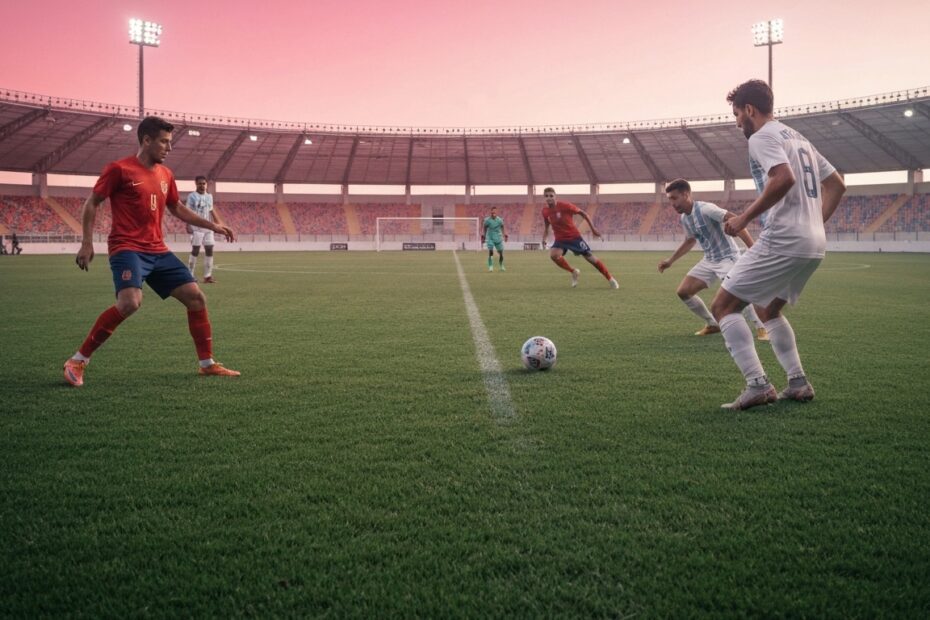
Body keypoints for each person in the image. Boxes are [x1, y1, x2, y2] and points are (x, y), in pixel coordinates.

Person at [62, 116, 241, 387]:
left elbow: (177, 208)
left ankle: (207, 364)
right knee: (130, 303)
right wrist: (87, 242)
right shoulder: (119, 169)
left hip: (158, 250)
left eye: (170, 142)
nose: (169, 148)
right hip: (127, 248)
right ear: (147, 140)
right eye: (164, 142)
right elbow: (92, 202)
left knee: (196, 299)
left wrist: (212, 225)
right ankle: (78, 360)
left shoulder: (166, 175)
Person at [711, 80, 846, 410]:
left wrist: (743, 219)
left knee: (723, 307)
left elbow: (784, 178)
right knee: (766, 309)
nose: (737, 121)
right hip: (813, 243)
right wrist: (813, 223)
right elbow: (838, 185)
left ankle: (758, 385)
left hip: (784, 238)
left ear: (750, 110)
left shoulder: (762, 136)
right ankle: (798, 382)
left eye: (737, 114)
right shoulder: (798, 138)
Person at [658, 179, 768, 340]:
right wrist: (670, 261)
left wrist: (753, 249)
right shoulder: (685, 218)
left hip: (728, 258)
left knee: (736, 292)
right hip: (709, 260)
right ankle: (712, 324)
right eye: (670, 200)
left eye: (674, 198)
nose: (672, 204)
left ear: (685, 194)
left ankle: (761, 328)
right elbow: (690, 240)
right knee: (684, 292)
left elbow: (735, 220)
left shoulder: (706, 209)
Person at [541, 187, 618, 289]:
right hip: (560, 239)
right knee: (554, 255)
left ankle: (611, 279)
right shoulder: (545, 211)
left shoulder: (565, 206)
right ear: (544, 198)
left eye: (551, 195)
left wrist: (593, 229)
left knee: (590, 258)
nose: (549, 198)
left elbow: (583, 214)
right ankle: (573, 271)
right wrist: (544, 238)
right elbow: (547, 227)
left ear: (555, 196)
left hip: (574, 237)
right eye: (546, 196)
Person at [185, 175, 225, 283]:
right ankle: (190, 275)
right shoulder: (192, 196)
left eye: (203, 183)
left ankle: (207, 276)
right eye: (200, 183)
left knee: (209, 249)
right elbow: (187, 212)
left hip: (208, 227)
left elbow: (211, 210)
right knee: (196, 250)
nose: (202, 185)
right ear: (196, 184)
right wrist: (188, 225)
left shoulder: (209, 197)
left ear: (206, 184)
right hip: (196, 227)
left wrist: (218, 224)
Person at [482, 206, 508, 271]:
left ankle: (501, 265)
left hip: (498, 238)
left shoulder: (499, 220)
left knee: (501, 253)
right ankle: (490, 266)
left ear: (496, 212)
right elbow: (485, 227)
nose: (494, 213)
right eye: (492, 212)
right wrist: (484, 235)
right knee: (491, 251)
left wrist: (504, 234)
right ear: (491, 212)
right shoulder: (487, 220)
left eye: (495, 212)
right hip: (490, 238)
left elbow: (502, 226)